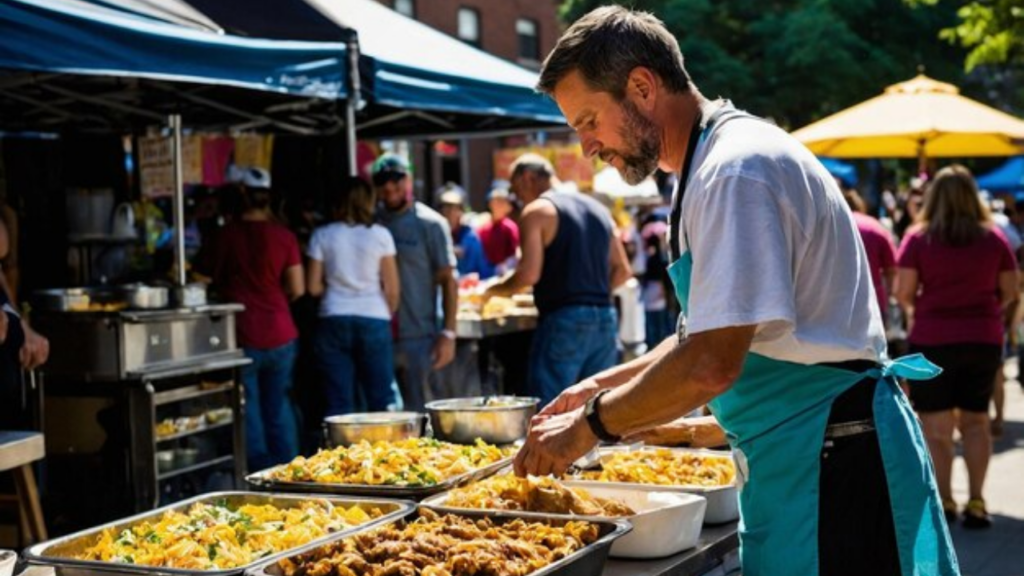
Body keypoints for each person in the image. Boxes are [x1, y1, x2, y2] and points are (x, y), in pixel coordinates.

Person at [514, 7, 958, 576]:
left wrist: (590, 426)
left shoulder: (732, 171)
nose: (586, 148)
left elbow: (709, 364)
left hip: (834, 462)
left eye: (589, 121)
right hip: (803, 458)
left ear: (642, 88)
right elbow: (702, 333)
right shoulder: (711, 164)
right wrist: (595, 387)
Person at [895, 165, 1019, 529]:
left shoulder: (918, 240)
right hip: (982, 338)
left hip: (933, 339)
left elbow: (903, 293)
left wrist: (925, 307)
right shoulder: (994, 239)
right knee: (977, 422)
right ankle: (978, 501)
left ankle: (945, 500)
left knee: (936, 427)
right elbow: (1011, 291)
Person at [485, 153, 632, 405]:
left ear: (528, 178)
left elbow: (529, 274)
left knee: (551, 409)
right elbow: (623, 271)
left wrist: (494, 290)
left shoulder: (537, 211)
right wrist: (591, 295)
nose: (515, 197)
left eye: (514, 188)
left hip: (563, 319)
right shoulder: (599, 210)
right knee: (597, 412)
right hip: (605, 318)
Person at [204, 167, 304, 471]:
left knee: (249, 409)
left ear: (240, 195)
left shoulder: (226, 235)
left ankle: (260, 473)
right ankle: (291, 471)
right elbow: (297, 288)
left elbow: (202, 279)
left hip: (243, 333)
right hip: (281, 332)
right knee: (278, 406)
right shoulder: (284, 236)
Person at [307, 176, 399, 416]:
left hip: (333, 315)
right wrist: (386, 312)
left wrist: (336, 289)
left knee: (339, 402)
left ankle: (342, 452)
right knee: (381, 398)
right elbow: (392, 288)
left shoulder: (322, 235)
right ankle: (388, 452)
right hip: (374, 316)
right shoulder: (380, 235)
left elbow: (313, 287)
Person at [373, 154, 457, 411]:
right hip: (377, 333)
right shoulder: (370, 221)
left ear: (408, 181)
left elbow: (448, 279)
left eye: (397, 184)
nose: (390, 191)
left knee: (423, 413)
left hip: (419, 334)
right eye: (384, 185)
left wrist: (449, 333)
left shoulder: (430, 223)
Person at [844, 189, 897, 324]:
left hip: (837, 304)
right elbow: (891, 269)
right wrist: (889, 296)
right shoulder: (876, 227)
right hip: (872, 303)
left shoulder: (831, 224)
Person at [437, 185, 493, 279]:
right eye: (446, 208)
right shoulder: (434, 234)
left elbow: (481, 271)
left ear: (461, 211)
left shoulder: (470, 237)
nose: (450, 213)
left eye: (455, 208)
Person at [477, 188, 520, 275]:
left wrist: (504, 268)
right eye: (495, 201)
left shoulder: (510, 227)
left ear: (508, 207)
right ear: (490, 204)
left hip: (504, 273)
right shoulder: (483, 227)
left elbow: (515, 253)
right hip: (485, 272)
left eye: (501, 202)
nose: (497, 205)